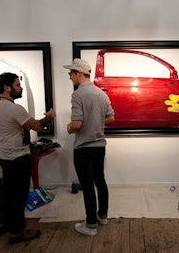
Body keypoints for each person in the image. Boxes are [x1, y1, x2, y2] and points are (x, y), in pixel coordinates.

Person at [0, 72, 56, 244]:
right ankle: (17, 232)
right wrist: (48, 117)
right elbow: (36, 126)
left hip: (4, 156)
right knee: (18, 196)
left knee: (7, 193)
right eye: (17, 85)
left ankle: (4, 223)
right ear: (7, 87)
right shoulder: (14, 108)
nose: (20, 88)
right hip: (17, 158)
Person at [64, 58, 115, 236]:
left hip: (84, 148)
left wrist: (69, 127)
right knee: (100, 180)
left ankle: (91, 225)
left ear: (78, 73)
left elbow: (77, 124)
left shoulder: (77, 94)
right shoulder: (102, 94)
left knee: (87, 186)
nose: (70, 76)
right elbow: (111, 117)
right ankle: (103, 216)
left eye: (71, 73)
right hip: (100, 146)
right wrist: (95, 121)